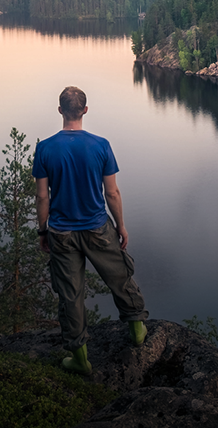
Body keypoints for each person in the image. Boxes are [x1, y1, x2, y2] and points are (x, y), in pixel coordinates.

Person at [33, 86, 149, 376]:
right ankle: (136, 330)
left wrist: (42, 230)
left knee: (70, 294)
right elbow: (112, 194)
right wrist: (120, 226)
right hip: (98, 227)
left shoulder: (45, 148)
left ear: (60, 111)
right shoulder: (101, 145)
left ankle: (80, 358)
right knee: (119, 276)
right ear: (85, 110)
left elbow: (42, 197)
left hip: (60, 232)